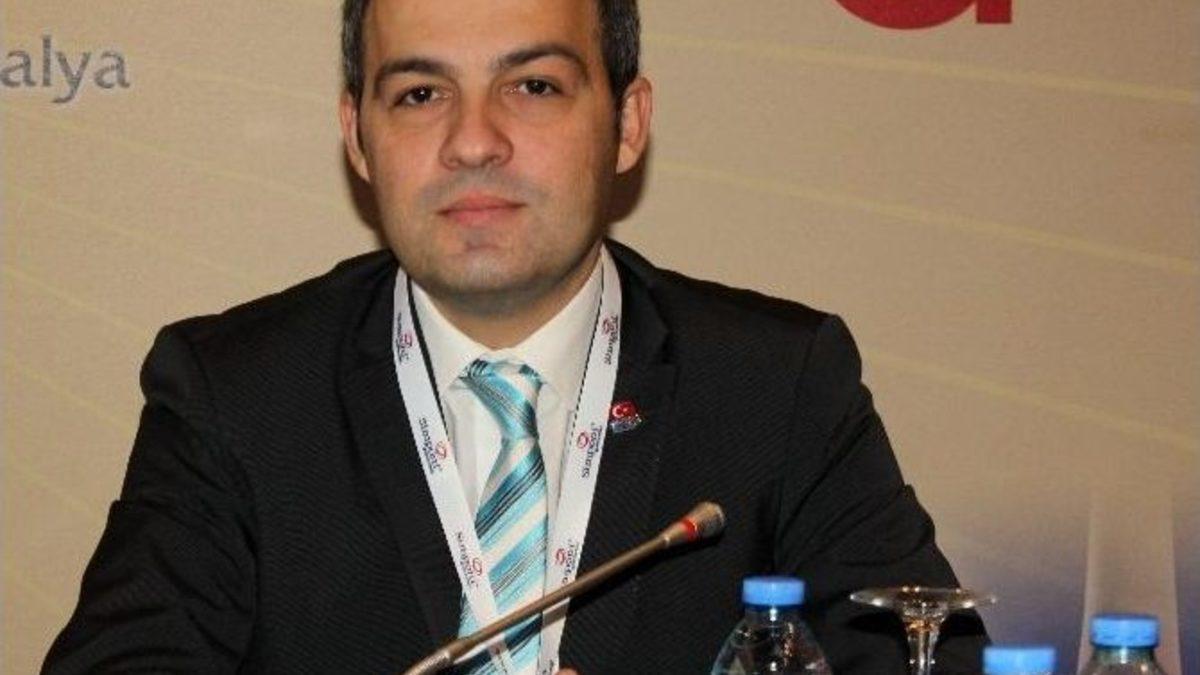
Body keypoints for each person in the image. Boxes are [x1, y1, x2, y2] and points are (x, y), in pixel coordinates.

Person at [43, 0, 987, 672]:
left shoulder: (776, 384)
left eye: (533, 85)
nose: (473, 140)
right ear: (358, 136)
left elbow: (931, 660)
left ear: (627, 124)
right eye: (420, 94)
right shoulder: (234, 391)